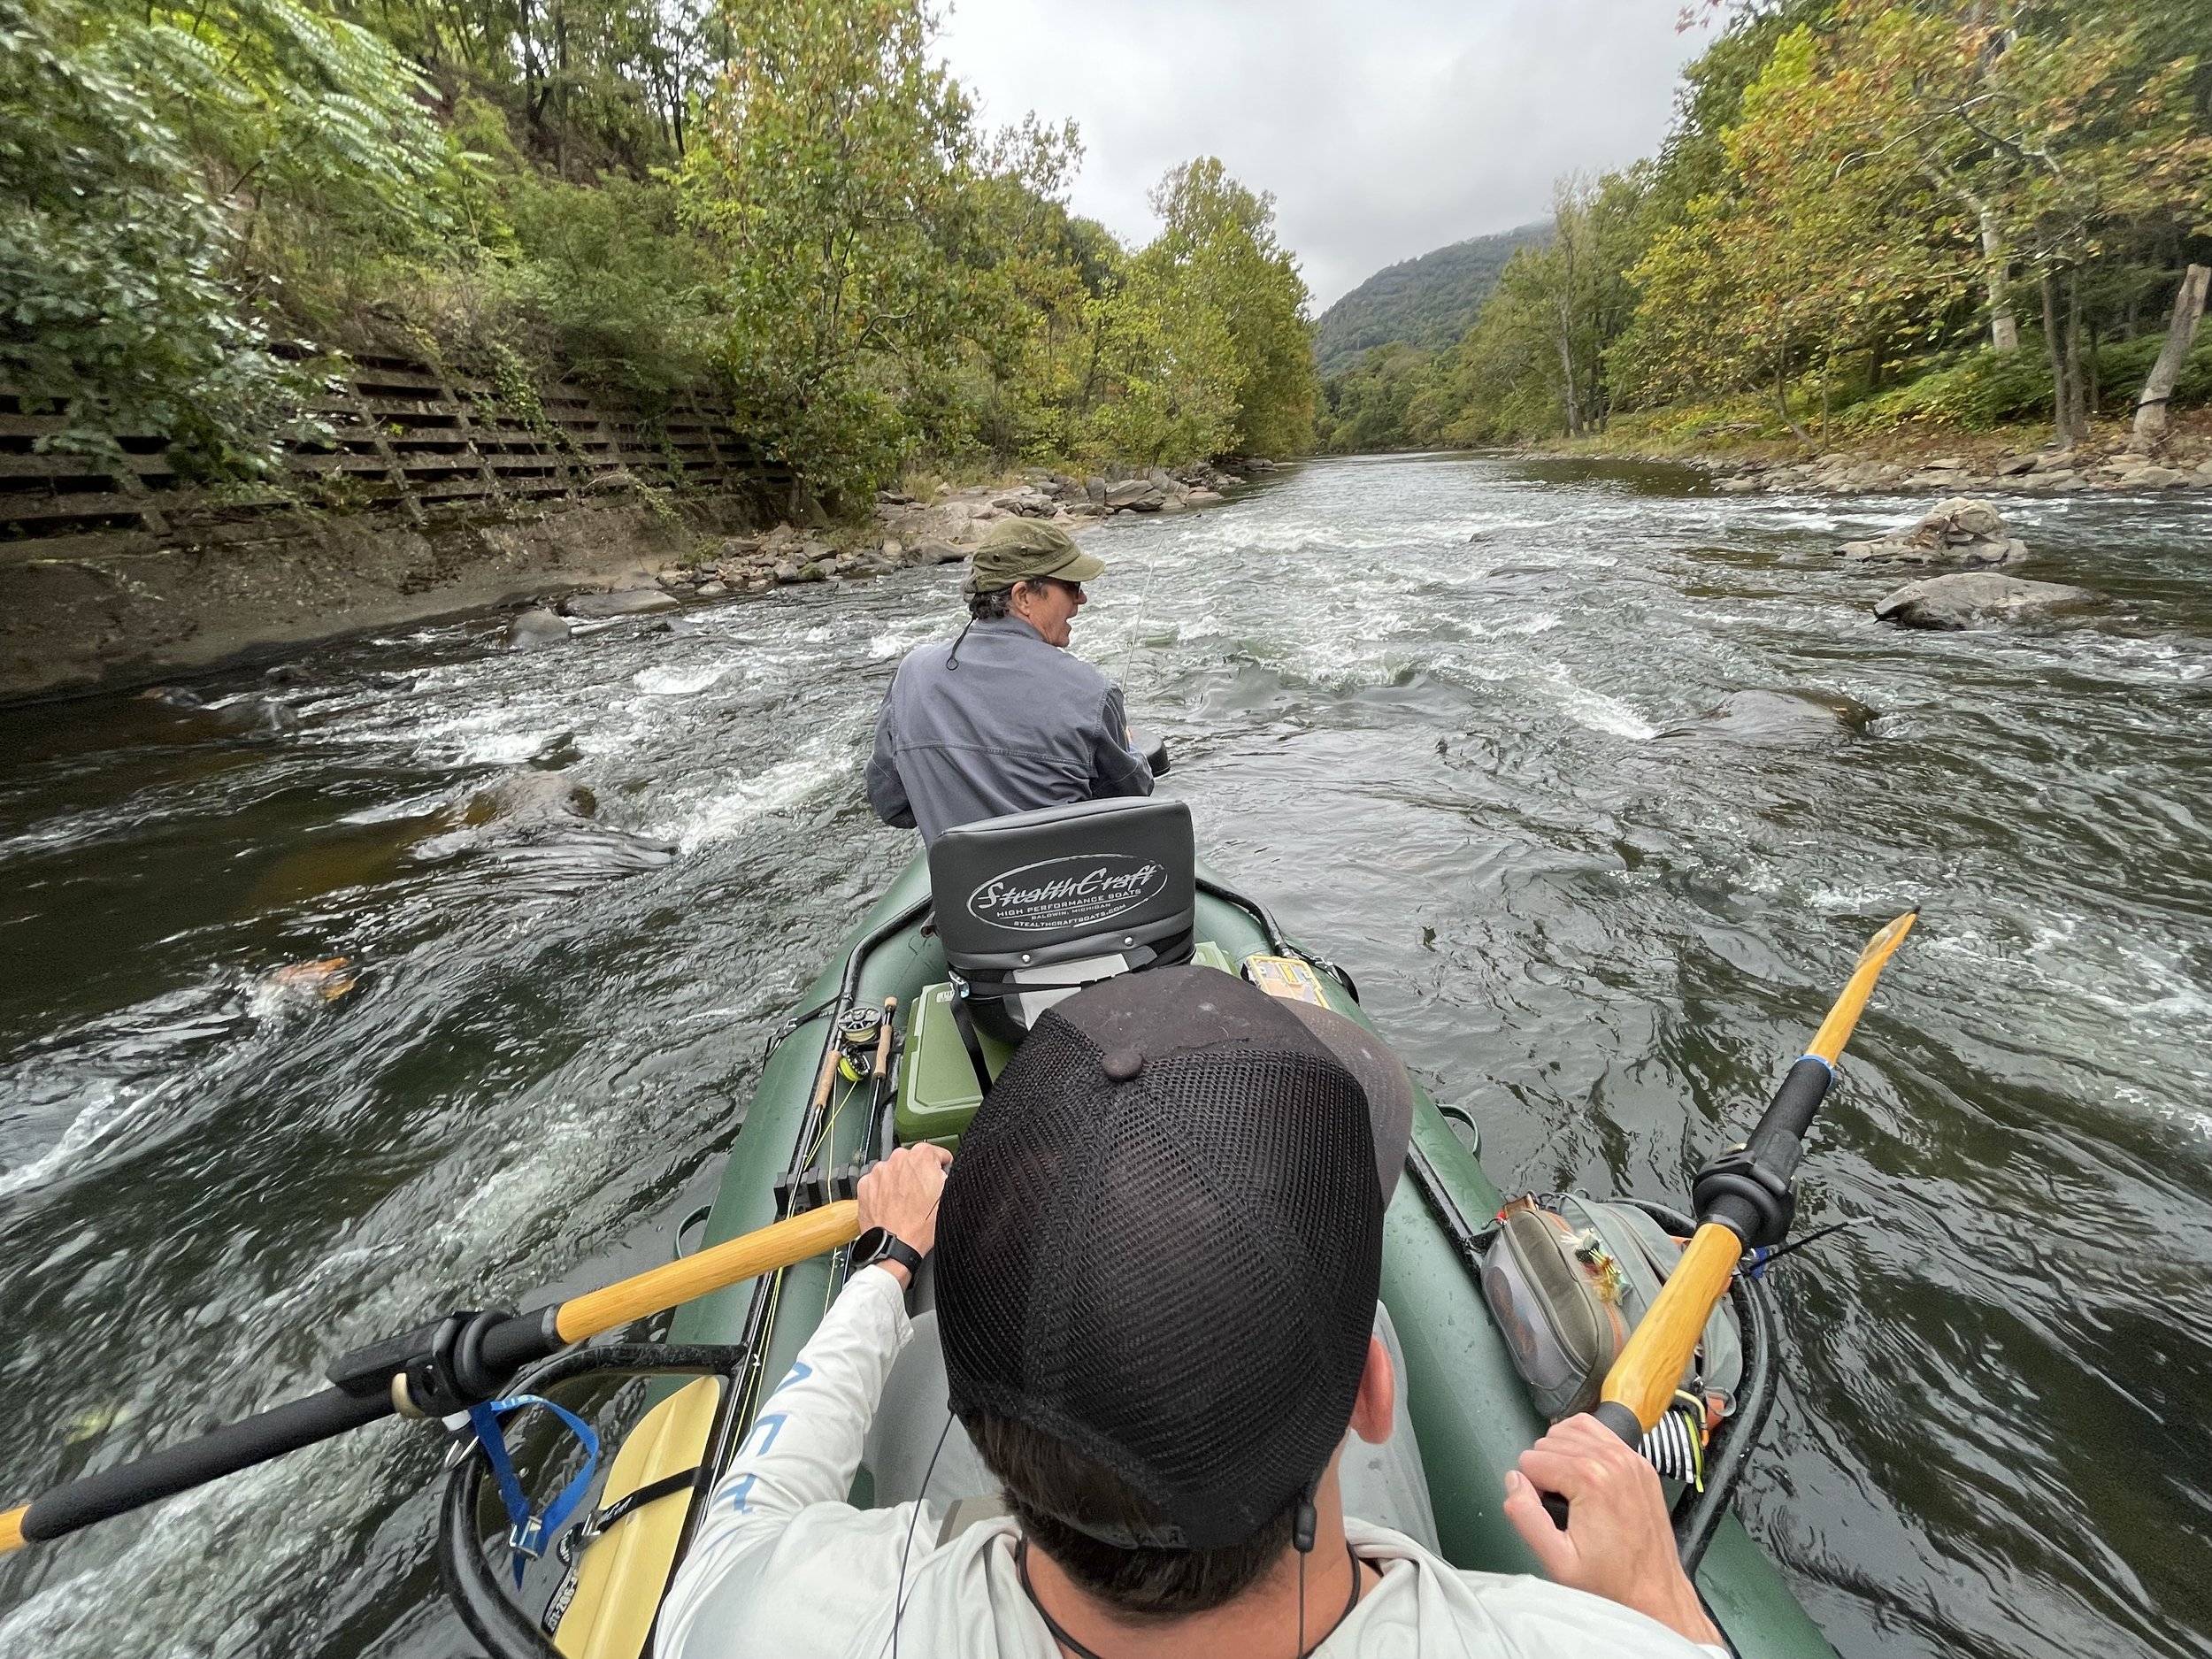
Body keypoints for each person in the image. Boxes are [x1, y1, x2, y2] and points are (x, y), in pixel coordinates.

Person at [657, 967, 1726, 1658]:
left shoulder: (762, 1616)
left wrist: (892, 1265)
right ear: (1372, 1392)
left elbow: (763, 1492)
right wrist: (1659, 1601)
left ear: (982, 1431)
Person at [866, 518, 1154, 846]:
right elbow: (1133, 799)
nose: (1082, 599)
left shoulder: (912, 674)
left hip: (967, 895)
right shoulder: (1093, 691)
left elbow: (891, 804)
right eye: (1072, 586)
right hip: (1075, 893)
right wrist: (1127, 746)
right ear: (1023, 597)